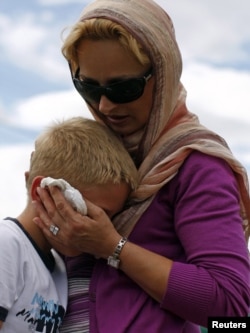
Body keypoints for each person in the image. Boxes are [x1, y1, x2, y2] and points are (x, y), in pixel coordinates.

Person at [33, 0, 250, 332]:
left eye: (124, 88)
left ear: (162, 74)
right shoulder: (86, 153)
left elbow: (233, 313)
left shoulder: (197, 166)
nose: (105, 105)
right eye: (88, 87)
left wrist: (112, 247)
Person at [0, 116, 138, 332]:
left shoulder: (58, 267)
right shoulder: (6, 245)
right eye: (96, 213)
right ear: (43, 190)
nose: (104, 228)